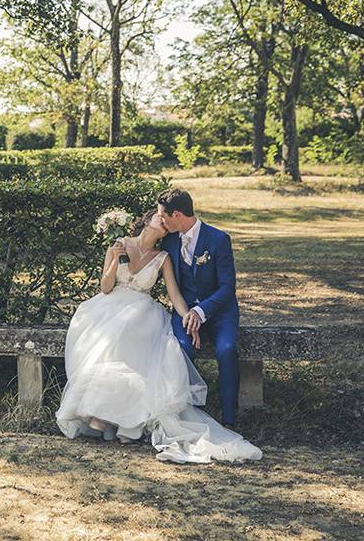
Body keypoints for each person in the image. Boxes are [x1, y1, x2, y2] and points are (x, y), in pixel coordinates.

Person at [54, 208, 261, 463]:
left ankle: (128, 423)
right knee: (111, 336)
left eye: (166, 221)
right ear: (145, 221)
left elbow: (175, 295)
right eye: (159, 218)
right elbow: (105, 288)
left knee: (132, 335)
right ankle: (102, 415)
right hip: (109, 306)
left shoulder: (163, 257)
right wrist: (114, 261)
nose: (163, 222)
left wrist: (189, 317)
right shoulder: (118, 245)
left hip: (142, 310)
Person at [157, 187, 240, 428]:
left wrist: (201, 311)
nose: (161, 220)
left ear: (177, 216)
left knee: (227, 349)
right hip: (184, 312)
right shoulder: (169, 240)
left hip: (219, 311)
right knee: (181, 348)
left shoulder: (218, 239)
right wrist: (188, 314)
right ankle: (187, 414)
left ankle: (229, 419)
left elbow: (227, 288)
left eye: (163, 216)